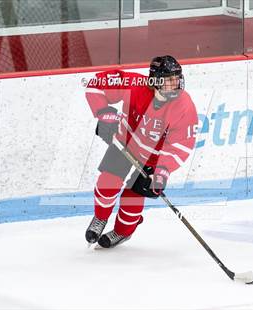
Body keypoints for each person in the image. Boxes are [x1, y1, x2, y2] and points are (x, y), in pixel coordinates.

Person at [84, 55, 198, 248]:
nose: (176, 83)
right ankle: (100, 217)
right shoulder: (134, 84)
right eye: (169, 79)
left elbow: (181, 145)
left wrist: (162, 171)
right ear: (154, 80)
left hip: (153, 160)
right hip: (124, 144)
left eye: (177, 77)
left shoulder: (185, 106)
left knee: (131, 199)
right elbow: (95, 84)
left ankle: (122, 232)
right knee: (107, 184)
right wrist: (105, 115)